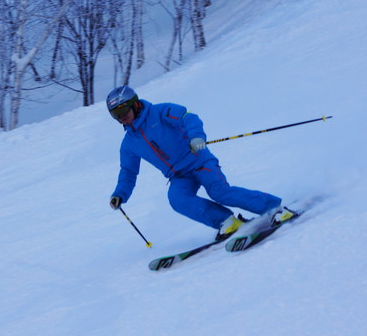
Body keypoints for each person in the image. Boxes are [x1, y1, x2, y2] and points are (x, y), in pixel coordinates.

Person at [107, 85, 294, 239]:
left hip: (198, 160)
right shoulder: (129, 143)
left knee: (220, 193)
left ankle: (275, 209)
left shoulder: (160, 111)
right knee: (177, 199)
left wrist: (196, 137)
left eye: (123, 110)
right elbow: (128, 172)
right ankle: (227, 222)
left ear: (135, 104)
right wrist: (120, 194)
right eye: (116, 114)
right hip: (179, 176)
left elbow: (187, 117)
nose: (121, 117)